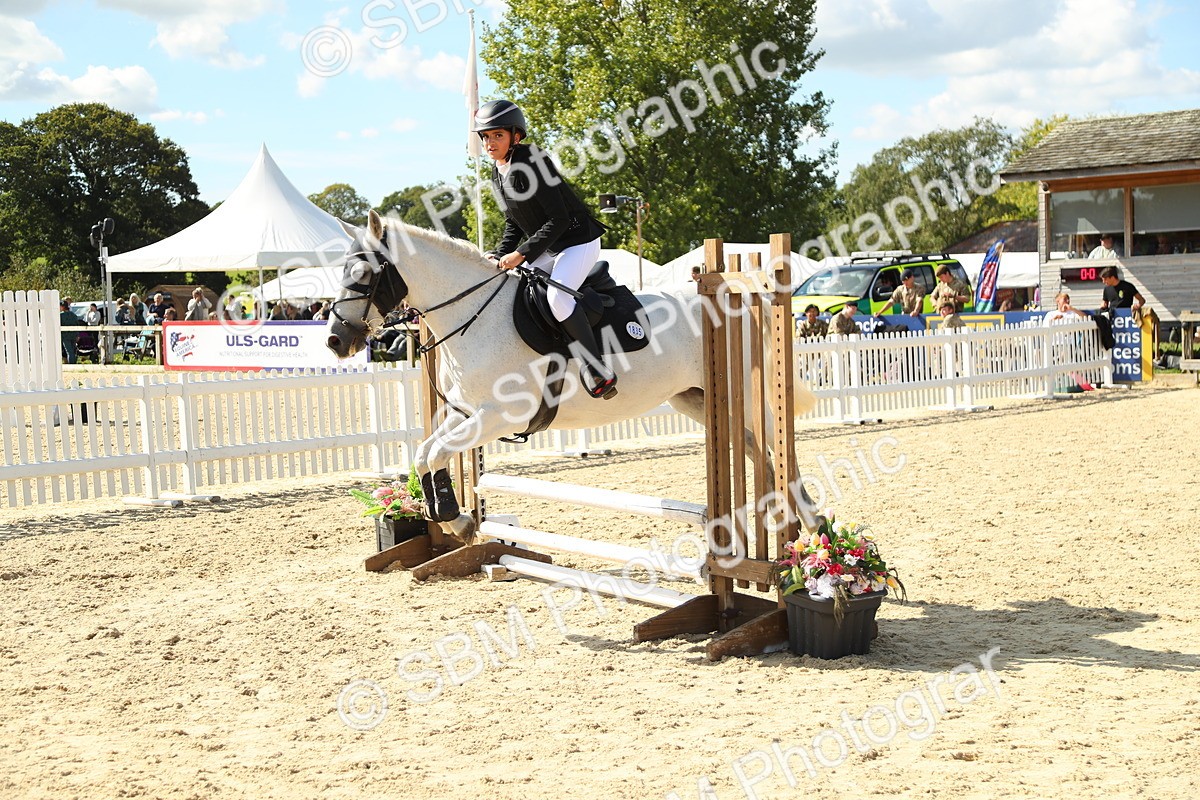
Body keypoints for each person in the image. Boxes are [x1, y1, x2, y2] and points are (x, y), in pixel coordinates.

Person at [474, 99, 615, 399]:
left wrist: (522, 254)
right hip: (548, 246)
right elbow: (514, 222)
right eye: (486, 136)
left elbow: (560, 219)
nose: (490, 142)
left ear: (516, 136)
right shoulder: (496, 172)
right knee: (516, 290)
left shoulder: (532, 159)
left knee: (558, 297)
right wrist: (499, 253)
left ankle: (596, 367)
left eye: (497, 135)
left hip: (578, 240)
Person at [59, 299, 82, 364]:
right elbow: (77, 324)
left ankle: (72, 364)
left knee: (69, 351)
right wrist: (78, 335)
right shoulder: (73, 315)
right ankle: (74, 362)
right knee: (73, 350)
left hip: (65, 336)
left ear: (63, 307)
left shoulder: (60, 315)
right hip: (74, 335)